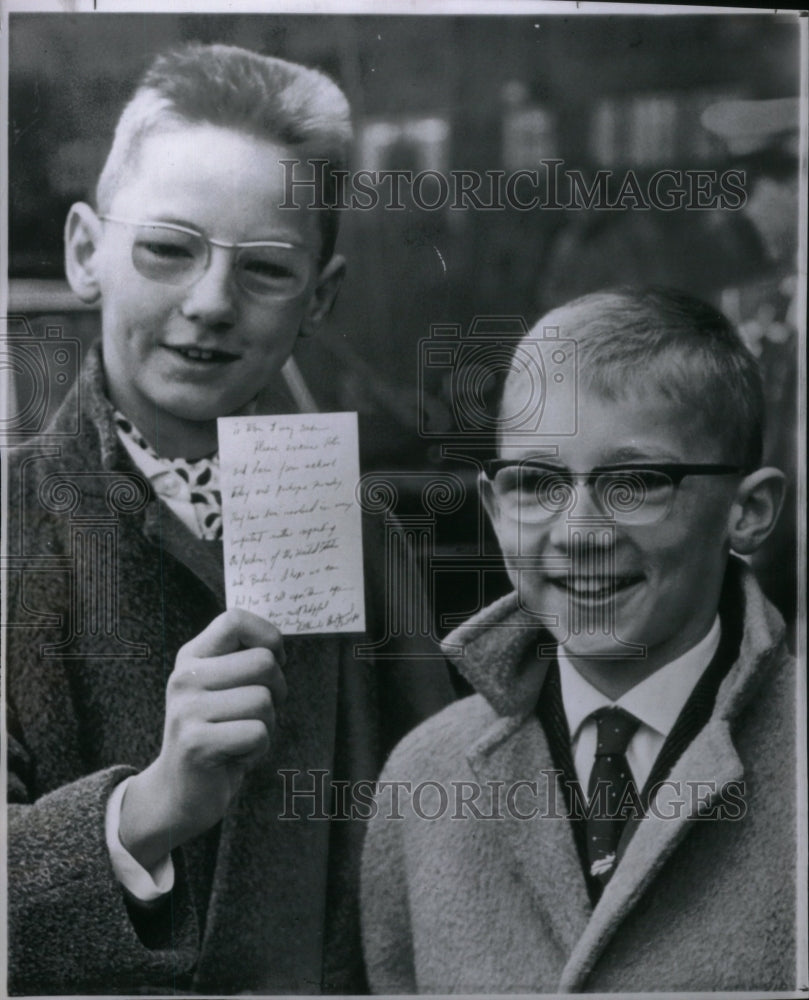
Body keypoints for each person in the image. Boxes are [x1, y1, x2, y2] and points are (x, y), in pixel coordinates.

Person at [5, 43, 453, 995]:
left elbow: (436, 831)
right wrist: (148, 809)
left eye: (265, 271)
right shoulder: (11, 525)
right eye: (168, 249)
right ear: (86, 252)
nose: (209, 304)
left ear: (320, 298)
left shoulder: (361, 532)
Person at [360, 287, 797, 993]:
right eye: (535, 483)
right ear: (494, 510)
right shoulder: (424, 778)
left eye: (634, 482)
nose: (578, 535)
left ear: (746, 512)